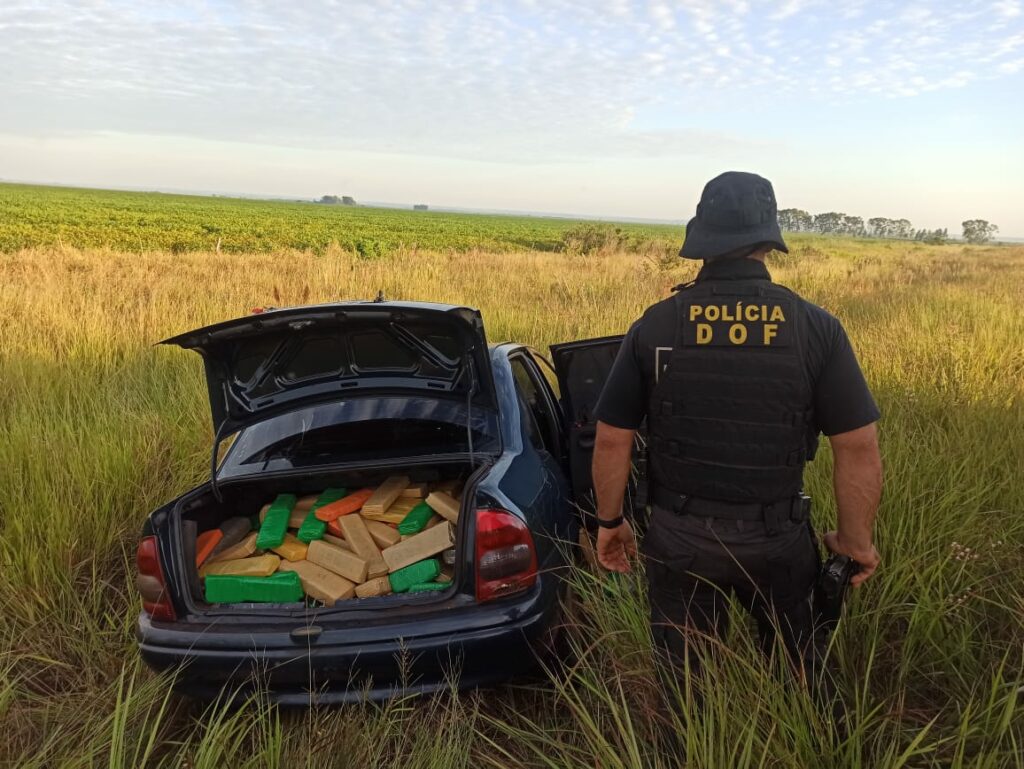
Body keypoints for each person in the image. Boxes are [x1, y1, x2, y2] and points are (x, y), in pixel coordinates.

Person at [591, 171, 882, 688]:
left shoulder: (656, 324)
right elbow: (856, 446)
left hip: (678, 535)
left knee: (685, 687)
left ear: (702, 236)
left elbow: (614, 437)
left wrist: (610, 522)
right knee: (801, 675)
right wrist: (855, 541)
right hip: (778, 537)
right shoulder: (817, 328)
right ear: (769, 238)